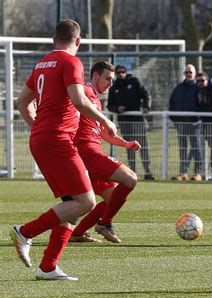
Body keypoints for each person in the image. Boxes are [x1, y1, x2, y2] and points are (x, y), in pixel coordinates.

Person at [11, 19, 117, 281]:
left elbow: (22, 101)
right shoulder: (71, 62)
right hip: (57, 140)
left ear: (53, 39)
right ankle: (25, 231)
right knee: (87, 201)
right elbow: (79, 100)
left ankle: (48, 266)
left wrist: (38, 127)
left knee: (71, 204)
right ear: (78, 41)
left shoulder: (41, 63)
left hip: (43, 140)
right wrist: (104, 120)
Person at [69, 61, 140, 244]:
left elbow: (102, 132)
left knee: (112, 198)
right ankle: (104, 224)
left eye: (112, 80)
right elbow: (68, 97)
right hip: (87, 153)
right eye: (107, 78)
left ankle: (78, 233)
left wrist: (126, 144)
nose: (110, 83)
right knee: (130, 178)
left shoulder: (96, 99)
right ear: (95, 76)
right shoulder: (84, 90)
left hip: (92, 152)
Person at [107, 65, 154, 180]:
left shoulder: (134, 82)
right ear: (116, 74)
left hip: (138, 120)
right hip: (125, 122)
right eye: (118, 72)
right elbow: (110, 105)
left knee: (143, 146)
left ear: (126, 72)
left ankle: (148, 171)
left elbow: (146, 95)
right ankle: (133, 171)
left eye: (123, 72)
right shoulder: (114, 87)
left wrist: (147, 106)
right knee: (129, 146)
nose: (121, 74)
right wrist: (117, 108)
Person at [169, 64, 203, 181]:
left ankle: (198, 173)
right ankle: (183, 172)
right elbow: (172, 104)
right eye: (187, 72)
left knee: (196, 147)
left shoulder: (199, 87)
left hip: (195, 124)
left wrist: (198, 118)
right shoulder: (178, 88)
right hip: (181, 124)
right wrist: (175, 120)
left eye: (191, 72)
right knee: (182, 148)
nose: (188, 74)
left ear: (194, 73)